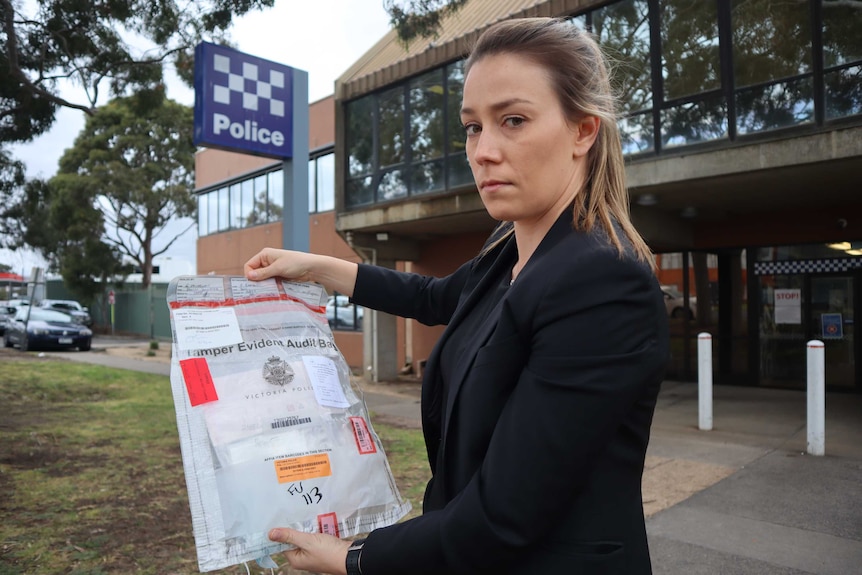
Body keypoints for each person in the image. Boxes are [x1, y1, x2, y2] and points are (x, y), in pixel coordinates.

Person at [244, 16, 669, 575]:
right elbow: (434, 296)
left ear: (583, 131)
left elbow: (505, 514)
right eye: (472, 126)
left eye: (512, 120)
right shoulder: (508, 251)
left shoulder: (603, 281)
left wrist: (356, 559)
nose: (483, 151)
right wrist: (317, 265)